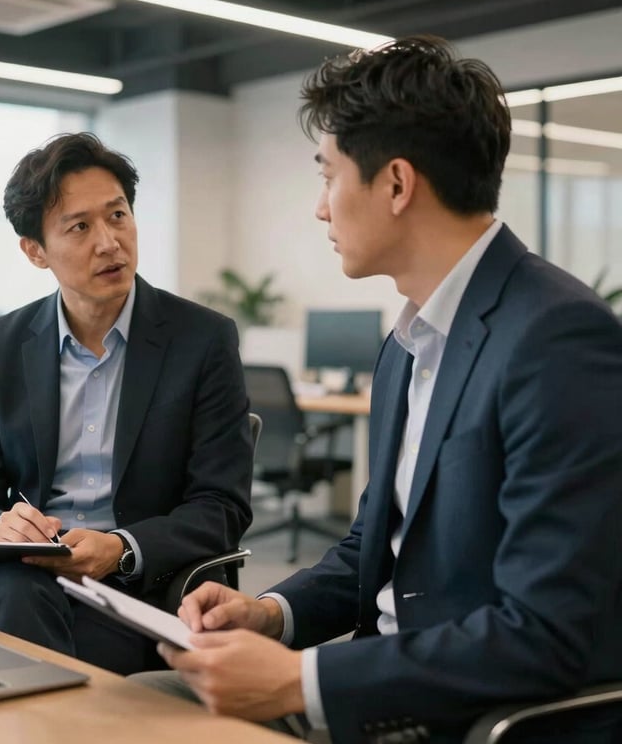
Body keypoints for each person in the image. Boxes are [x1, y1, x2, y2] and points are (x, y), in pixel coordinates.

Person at [144, 36, 622, 743]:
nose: (319, 209)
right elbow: (376, 545)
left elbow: (544, 634)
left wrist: (296, 680)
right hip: (385, 690)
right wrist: (271, 615)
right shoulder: (408, 342)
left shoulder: (557, 340)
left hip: (470, 719)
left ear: (396, 184)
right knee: (139, 702)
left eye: (328, 176)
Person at [0, 132, 253, 675]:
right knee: (14, 592)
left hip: (142, 590)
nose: (109, 242)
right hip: (24, 576)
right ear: (35, 250)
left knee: (16, 631)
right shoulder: (0, 346)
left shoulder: (202, 340)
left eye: (118, 216)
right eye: (80, 227)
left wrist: (121, 547)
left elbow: (221, 505)